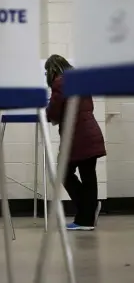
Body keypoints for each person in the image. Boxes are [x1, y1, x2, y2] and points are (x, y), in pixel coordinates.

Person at [45, 54, 106, 231]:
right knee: (88, 175)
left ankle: (87, 213)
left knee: (64, 172)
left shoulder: (59, 83)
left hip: (76, 135)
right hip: (91, 131)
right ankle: (88, 214)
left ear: (52, 70)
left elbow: (54, 111)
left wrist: (48, 114)